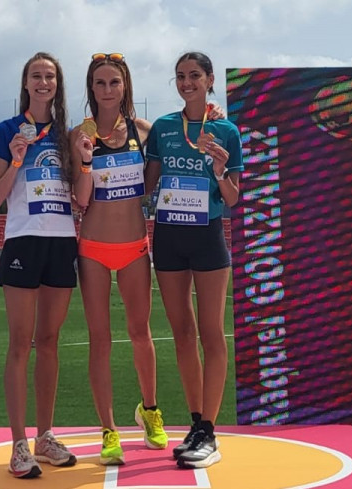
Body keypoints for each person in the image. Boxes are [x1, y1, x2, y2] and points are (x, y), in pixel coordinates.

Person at [144, 51, 242, 469]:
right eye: (181, 76)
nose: (187, 82)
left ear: (210, 79)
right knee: (182, 334)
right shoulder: (165, 127)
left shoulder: (227, 130)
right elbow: (146, 183)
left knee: (211, 334)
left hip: (208, 237)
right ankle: (195, 423)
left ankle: (209, 431)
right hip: (168, 236)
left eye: (195, 76)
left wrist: (219, 170)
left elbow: (234, 197)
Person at [70, 52, 166, 465]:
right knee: (101, 341)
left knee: (141, 333)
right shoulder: (79, 135)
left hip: (133, 247)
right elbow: (81, 198)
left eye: (114, 82)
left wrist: (212, 111)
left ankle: (150, 410)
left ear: (125, 86)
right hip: (92, 248)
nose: (107, 90)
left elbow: (148, 186)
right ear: (90, 89)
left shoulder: (145, 132)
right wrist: (88, 162)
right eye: (99, 83)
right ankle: (109, 430)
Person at [0, 52, 78, 479]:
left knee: (50, 340)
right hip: (23, 239)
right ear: (26, 82)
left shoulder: (66, 134)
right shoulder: (8, 130)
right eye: (36, 76)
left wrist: (86, 157)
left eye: (50, 77)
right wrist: (18, 159)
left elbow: (81, 196)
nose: (43, 83)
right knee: (20, 343)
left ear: (57, 85)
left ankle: (45, 436)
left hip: (62, 242)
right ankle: (18, 444)